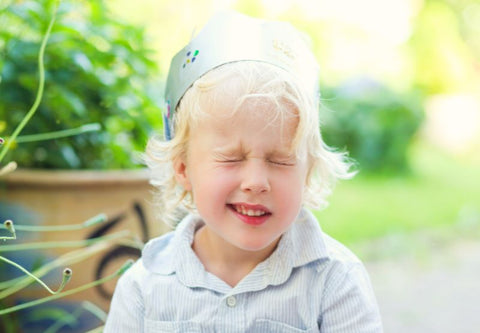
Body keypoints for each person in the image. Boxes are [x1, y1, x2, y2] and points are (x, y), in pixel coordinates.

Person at [105, 11, 383, 332]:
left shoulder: (334, 282)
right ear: (183, 168)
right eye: (231, 158)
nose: (255, 183)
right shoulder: (146, 285)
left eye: (280, 160)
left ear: (307, 173)